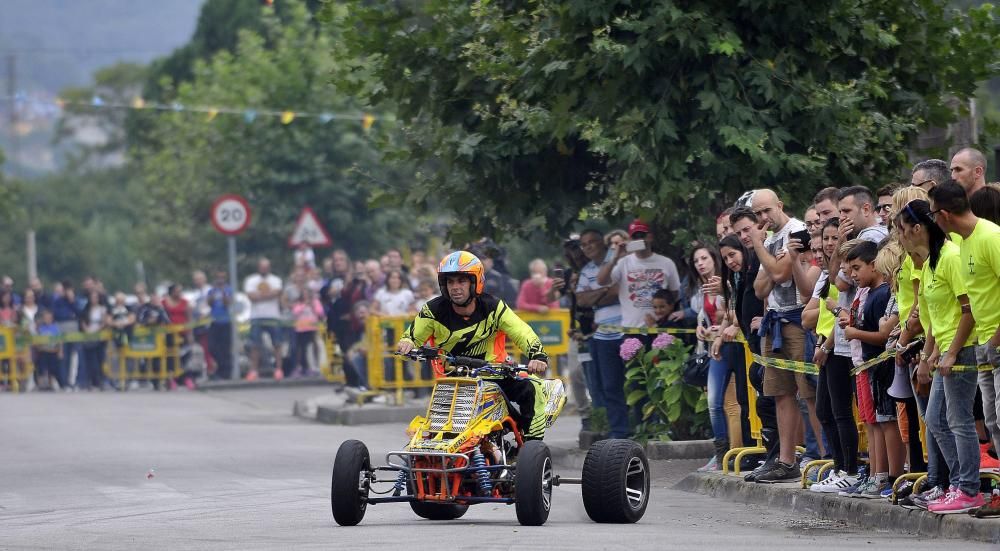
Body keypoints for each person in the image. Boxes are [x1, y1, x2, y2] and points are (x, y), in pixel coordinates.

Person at [396, 251, 551, 440]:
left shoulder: (494, 307)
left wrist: (537, 355)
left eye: (461, 281)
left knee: (533, 387)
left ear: (475, 282)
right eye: (450, 282)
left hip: (495, 375)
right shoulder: (433, 310)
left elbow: (521, 332)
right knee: (436, 434)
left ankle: (531, 446)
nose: (455, 287)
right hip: (452, 380)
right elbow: (411, 337)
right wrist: (406, 344)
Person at [896, 198, 983, 514]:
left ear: (918, 229)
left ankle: (969, 489)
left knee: (959, 420)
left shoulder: (950, 257)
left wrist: (952, 353)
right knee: (935, 418)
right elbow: (932, 317)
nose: (901, 238)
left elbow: (968, 310)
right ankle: (957, 484)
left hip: (963, 349)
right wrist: (928, 354)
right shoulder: (929, 262)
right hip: (943, 350)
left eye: (904, 231)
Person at [929, 181, 1000, 514]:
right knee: (993, 420)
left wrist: (996, 338)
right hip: (985, 344)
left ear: (944, 214)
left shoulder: (989, 237)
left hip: (994, 341)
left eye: (933, 214)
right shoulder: (963, 240)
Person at [746, 188, 814, 483]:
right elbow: (760, 289)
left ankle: (820, 457)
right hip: (774, 321)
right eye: (757, 214)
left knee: (808, 392)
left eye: (766, 211)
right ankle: (786, 460)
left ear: (779, 205)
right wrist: (768, 256)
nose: (763, 218)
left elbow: (779, 275)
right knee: (780, 392)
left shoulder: (796, 230)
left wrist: (760, 247)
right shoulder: (772, 240)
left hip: (798, 318)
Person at [575, 228, 628, 439]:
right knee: (609, 386)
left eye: (592, 242)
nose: (588, 247)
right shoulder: (586, 269)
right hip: (602, 335)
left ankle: (644, 428)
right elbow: (581, 300)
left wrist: (595, 295)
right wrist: (606, 292)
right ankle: (620, 432)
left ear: (602, 243)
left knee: (633, 382)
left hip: (626, 329)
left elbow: (619, 291)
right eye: (584, 244)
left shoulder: (618, 259)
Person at [597, 219, 681, 333]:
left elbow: (674, 294)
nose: (639, 239)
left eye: (642, 235)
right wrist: (614, 259)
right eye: (635, 237)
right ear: (630, 240)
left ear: (650, 237)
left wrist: (662, 315)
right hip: (631, 329)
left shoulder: (666, 263)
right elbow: (601, 281)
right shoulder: (623, 262)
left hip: (660, 328)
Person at [244, 258, 284, 381]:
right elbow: (251, 296)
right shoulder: (251, 280)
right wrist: (268, 295)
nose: (264, 269)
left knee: (277, 344)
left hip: (273, 316)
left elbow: (277, 293)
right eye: (262, 267)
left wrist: (259, 295)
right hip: (256, 316)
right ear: (258, 267)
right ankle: (253, 371)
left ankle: (278, 370)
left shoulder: (276, 280)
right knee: (255, 345)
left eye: (266, 267)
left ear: (269, 268)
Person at [291, 287, 324, 377]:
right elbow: (295, 312)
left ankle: (315, 366)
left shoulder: (315, 302)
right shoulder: (298, 303)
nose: (306, 295)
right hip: (300, 328)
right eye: (304, 293)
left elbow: (320, 312)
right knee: (301, 348)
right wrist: (304, 305)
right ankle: (301, 367)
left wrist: (312, 306)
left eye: (307, 293)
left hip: (312, 328)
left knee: (313, 346)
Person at [33, 309, 62, 391]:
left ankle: (51, 384)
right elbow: (36, 340)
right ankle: (42, 385)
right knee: (42, 368)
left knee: (52, 369)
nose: (47, 319)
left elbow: (60, 340)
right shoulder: (40, 328)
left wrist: (60, 351)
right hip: (43, 351)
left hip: (53, 351)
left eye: (49, 318)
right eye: (46, 318)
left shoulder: (55, 328)